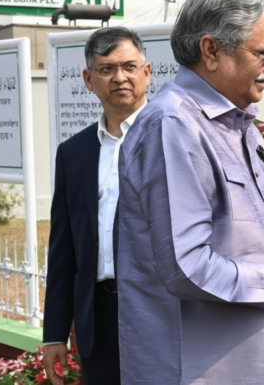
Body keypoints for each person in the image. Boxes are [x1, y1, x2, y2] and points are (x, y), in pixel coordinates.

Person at [116, 0, 264, 384]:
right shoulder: (174, 126)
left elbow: (241, 247)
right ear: (211, 51)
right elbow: (186, 266)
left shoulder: (241, 125)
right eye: (263, 53)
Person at [42, 26, 151, 385]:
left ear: (147, 73)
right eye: (107, 69)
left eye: (129, 67)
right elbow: (63, 249)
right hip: (97, 318)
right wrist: (55, 333)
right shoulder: (73, 153)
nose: (120, 77)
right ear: (89, 79)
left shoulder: (171, 137)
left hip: (158, 310)